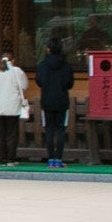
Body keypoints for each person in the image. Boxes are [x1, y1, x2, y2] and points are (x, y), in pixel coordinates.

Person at [36, 35, 77, 169]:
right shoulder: (66, 66)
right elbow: (70, 84)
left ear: (48, 49)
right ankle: (58, 159)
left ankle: (50, 159)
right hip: (61, 101)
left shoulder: (42, 66)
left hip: (46, 100)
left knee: (48, 129)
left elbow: (39, 82)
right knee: (60, 130)